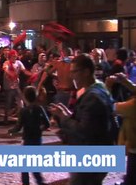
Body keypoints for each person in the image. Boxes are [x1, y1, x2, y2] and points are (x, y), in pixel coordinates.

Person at [50, 54, 116, 185]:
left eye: (74, 72)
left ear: (86, 72)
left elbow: (83, 130)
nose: (71, 76)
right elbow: (89, 120)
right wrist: (68, 114)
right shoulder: (98, 87)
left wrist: (63, 117)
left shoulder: (93, 96)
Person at [8, 86, 49, 185]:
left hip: (27, 140)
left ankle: (26, 183)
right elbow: (47, 123)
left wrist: (11, 131)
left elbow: (18, 127)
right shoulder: (39, 108)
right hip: (37, 139)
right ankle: (40, 182)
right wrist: (40, 129)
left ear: (25, 97)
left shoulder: (23, 111)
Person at [105, 74, 136, 185]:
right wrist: (125, 82)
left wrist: (108, 87)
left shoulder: (132, 105)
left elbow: (111, 106)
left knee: (132, 171)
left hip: (133, 144)